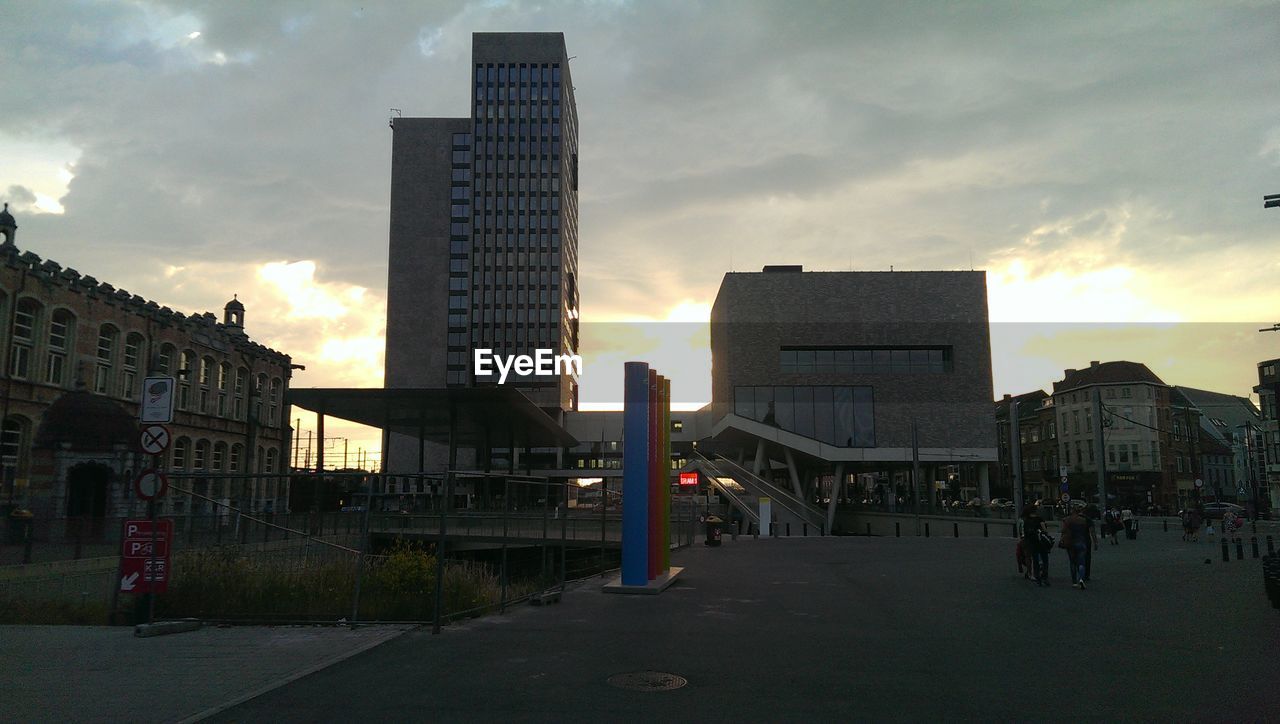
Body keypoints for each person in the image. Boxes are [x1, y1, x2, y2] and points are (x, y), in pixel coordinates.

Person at [1062, 504, 1096, 589]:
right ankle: (1081, 578)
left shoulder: (1067, 520)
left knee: (1072, 562)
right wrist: (1095, 542)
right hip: (1082, 541)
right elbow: (1091, 531)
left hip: (1071, 543)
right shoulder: (1084, 520)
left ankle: (1074, 582)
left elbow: (1063, 531)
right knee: (1082, 562)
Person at [1023, 502, 1051, 586]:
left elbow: (1025, 533)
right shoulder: (1039, 519)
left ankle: (1037, 577)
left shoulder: (1026, 520)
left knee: (1035, 560)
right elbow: (1045, 530)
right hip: (1041, 542)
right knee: (1045, 559)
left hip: (1032, 542)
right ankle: (1045, 577)